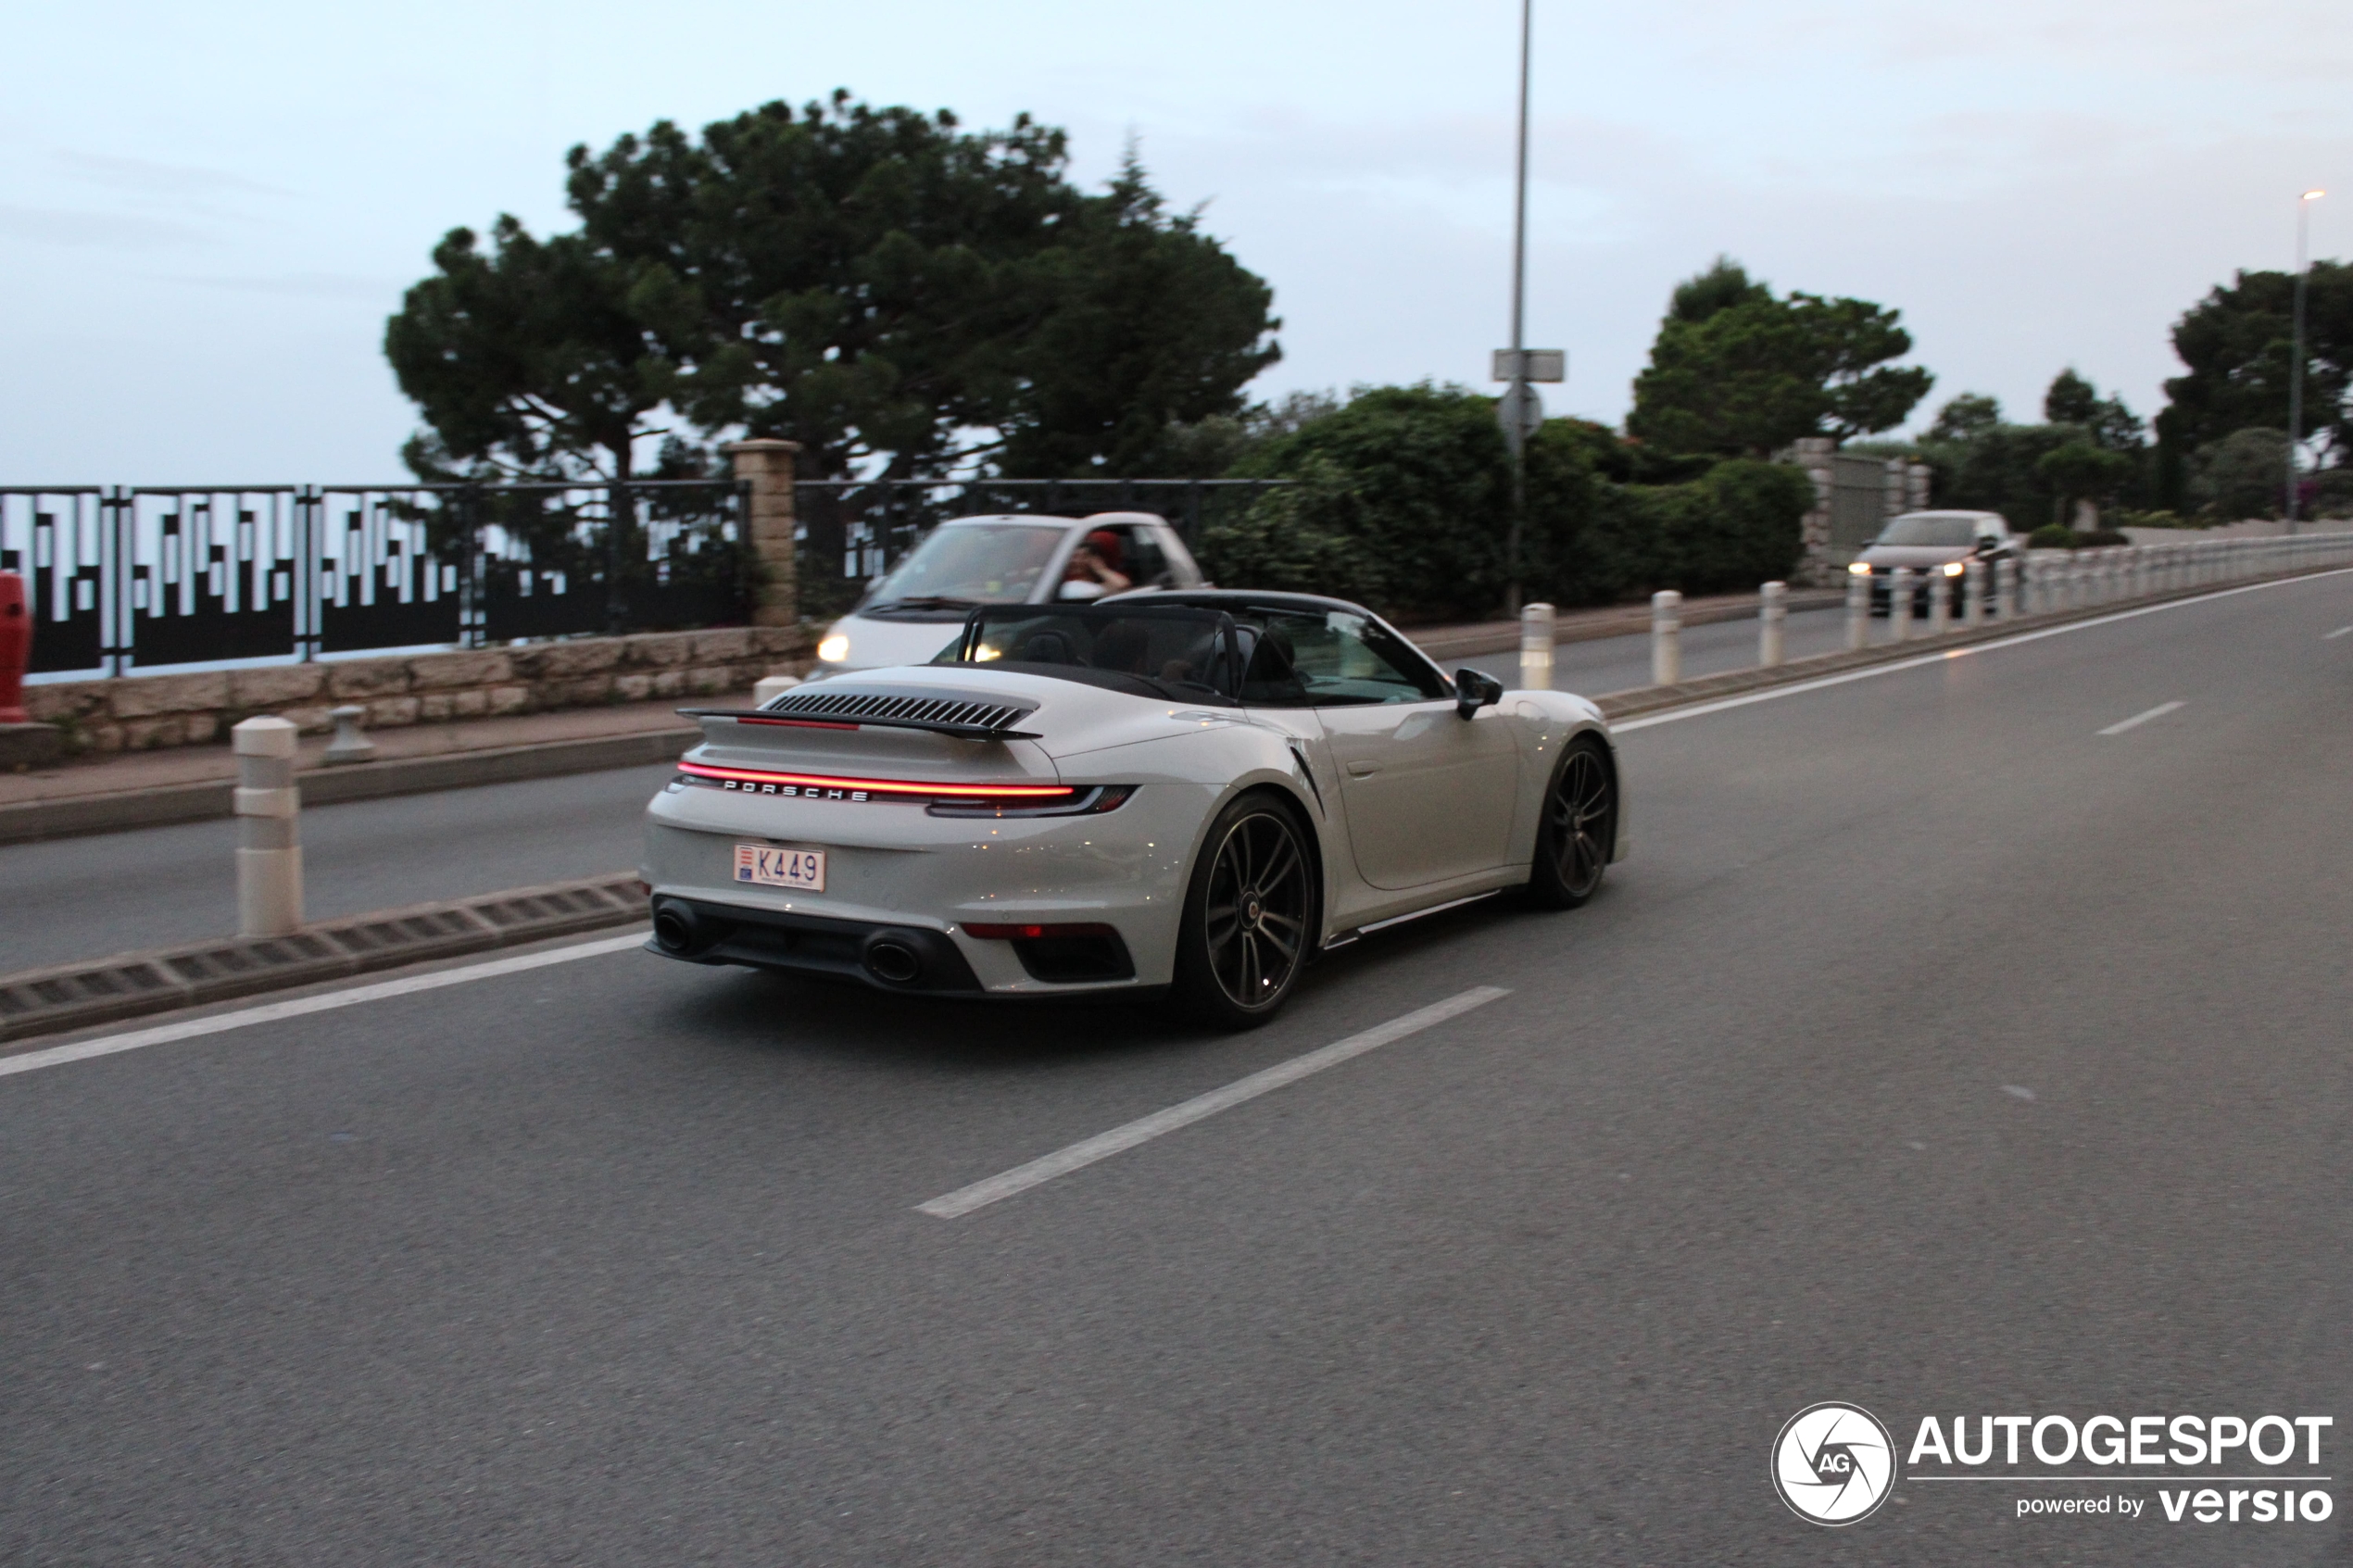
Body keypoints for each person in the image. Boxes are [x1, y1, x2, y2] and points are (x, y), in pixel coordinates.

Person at [1058, 531, 1132, 600]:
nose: (1076, 561)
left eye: (1084, 557)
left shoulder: (1099, 587)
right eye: (1074, 556)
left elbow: (1122, 586)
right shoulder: (1056, 581)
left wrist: (1101, 569)